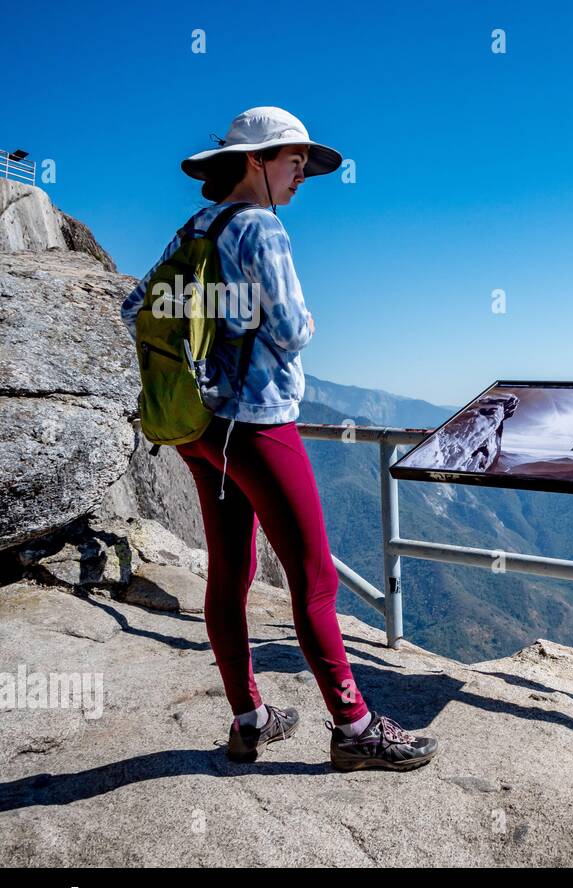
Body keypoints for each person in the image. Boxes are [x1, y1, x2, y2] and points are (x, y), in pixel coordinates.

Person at [119, 106, 438, 773]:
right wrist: (295, 319)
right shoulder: (264, 228)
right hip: (258, 422)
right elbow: (292, 329)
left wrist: (213, 331)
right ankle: (354, 727)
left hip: (199, 428)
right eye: (292, 159)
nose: (301, 173)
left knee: (228, 572)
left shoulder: (193, 227)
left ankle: (249, 720)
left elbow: (135, 309)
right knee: (315, 578)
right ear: (256, 161)